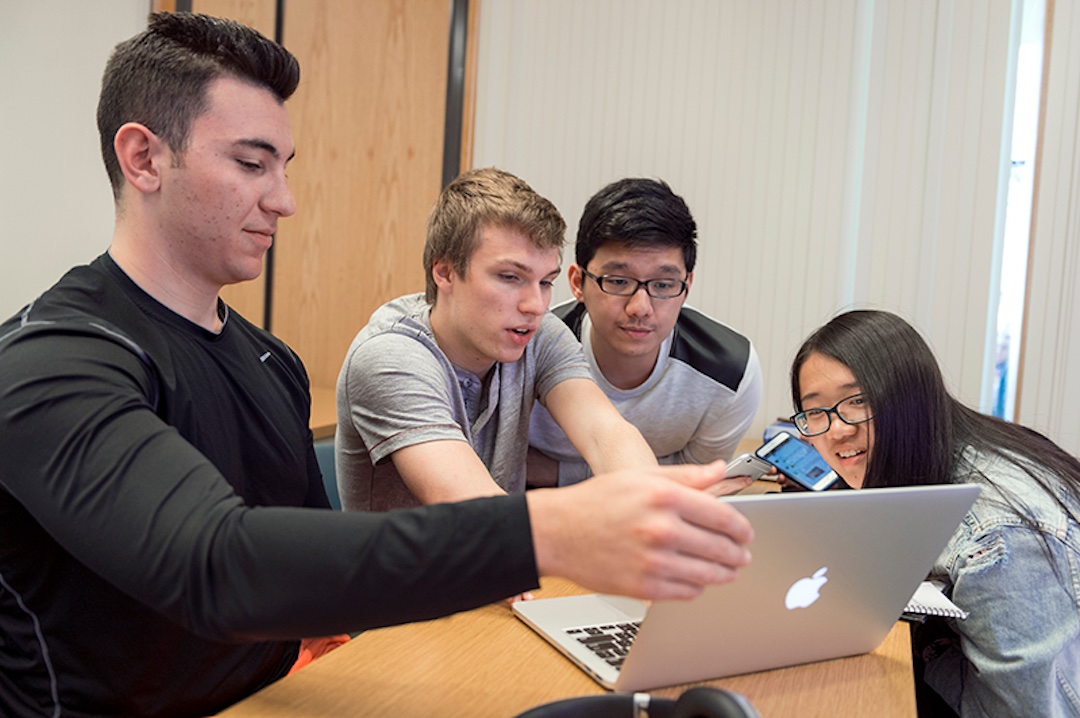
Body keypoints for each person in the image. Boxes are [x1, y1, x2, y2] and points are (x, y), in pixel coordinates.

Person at [0, 14, 757, 717]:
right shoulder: (51, 361)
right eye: (252, 164)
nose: (285, 200)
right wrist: (549, 531)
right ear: (143, 158)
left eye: (284, 166)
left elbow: (298, 576)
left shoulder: (271, 363)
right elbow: (220, 568)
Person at [335, 169, 744, 512]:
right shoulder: (389, 356)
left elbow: (606, 435)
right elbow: (469, 507)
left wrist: (655, 510)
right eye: (510, 278)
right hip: (403, 599)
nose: (535, 304)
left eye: (545, 282)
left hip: (500, 575)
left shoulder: (540, 334)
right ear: (444, 273)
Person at [790, 309, 1080, 717]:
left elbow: (1019, 711)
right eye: (815, 411)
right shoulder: (930, 461)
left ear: (912, 399)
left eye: (858, 401)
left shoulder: (998, 534)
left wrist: (931, 650)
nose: (837, 430)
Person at [528, 178, 763, 486]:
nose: (640, 307)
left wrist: (556, 472)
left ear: (686, 286)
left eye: (663, 285)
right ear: (577, 283)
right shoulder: (524, 350)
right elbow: (508, 464)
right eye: (618, 281)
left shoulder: (731, 372)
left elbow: (693, 483)